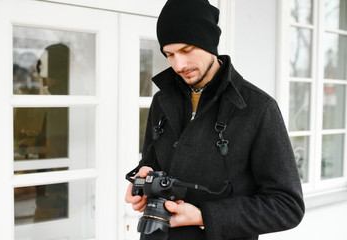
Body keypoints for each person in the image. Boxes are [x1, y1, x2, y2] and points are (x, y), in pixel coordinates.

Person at [125, 0, 305, 239]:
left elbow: (287, 206)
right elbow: (152, 162)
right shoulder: (161, 99)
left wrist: (203, 216)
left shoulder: (259, 108)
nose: (179, 64)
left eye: (187, 50)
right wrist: (142, 177)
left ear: (210, 43)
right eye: (169, 54)